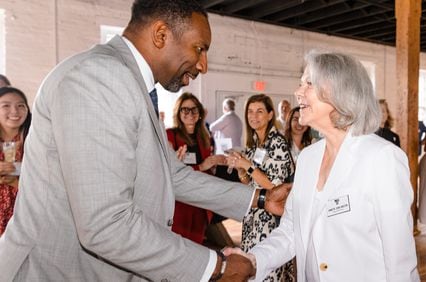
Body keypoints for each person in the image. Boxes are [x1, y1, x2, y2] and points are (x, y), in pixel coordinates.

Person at [0, 1, 291, 281]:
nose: (203, 65)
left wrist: (261, 198)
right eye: (199, 48)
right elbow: (106, 224)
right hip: (56, 271)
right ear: (161, 34)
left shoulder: (127, 81)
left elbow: (170, 174)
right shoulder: (100, 77)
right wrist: (214, 268)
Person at [225, 52, 419, 281]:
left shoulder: (381, 158)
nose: (298, 92)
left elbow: (399, 261)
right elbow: (291, 230)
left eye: (309, 83)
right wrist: (254, 260)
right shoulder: (308, 158)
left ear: (340, 91)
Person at [226, 94, 295, 281]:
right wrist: (240, 169)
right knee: (253, 269)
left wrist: (247, 165)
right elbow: (250, 182)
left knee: (268, 272)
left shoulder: (278, 143)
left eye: (259, 111)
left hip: (271, 219)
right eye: (250, 111)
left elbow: (275, 187)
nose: (253, 116)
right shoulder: (255, 143)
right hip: (253, 216)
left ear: (271, 115)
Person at [166, 92, 226, 244]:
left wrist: (214, 166)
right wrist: (202, 165)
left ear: (200, 113)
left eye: (194, 110)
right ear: (178, 113)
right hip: (180, 204)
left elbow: (208, 169)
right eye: (185, 109)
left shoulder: (205, 137)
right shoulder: (169, 135)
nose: (190, 114)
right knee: (177, 245)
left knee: (196, 244)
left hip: (200, 202)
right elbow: (169, 171)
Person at [0, 87, 31, 236]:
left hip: (24, 218)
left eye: (20, 105)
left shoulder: (35, 141)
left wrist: (14, 182)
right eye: (6, 105)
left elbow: (46, 185)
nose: (14, 111)